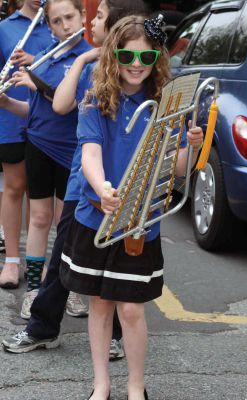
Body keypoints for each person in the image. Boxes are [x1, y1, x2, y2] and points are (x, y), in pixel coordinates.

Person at [59, 14, 204, 400]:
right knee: (101, 305)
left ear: (157, 56)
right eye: (126, 55)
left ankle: (136, 387)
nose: (136, 64)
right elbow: (89, 152)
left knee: (132, 310)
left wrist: (189, 144)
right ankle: (101, 384)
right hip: (96, 214)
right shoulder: (95, 96)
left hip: (141, 221)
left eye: (145, 56)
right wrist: (101, 186)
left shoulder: (165, 100)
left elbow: (177, 169)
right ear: (113, 55)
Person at [1, 0, 148, 359]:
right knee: (70, 257)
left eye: (97, 15)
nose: (88, 21)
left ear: (115, 26)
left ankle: (108, 334)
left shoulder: (128, 73)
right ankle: (44, 326)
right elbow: (59, 105)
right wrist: (81, 60)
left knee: (109, 264)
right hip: (85, 186)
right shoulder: (86, 63)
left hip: (114, 189)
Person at [0, 0, 92, 319]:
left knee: (69, 224)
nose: (65, 25)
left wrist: (37, 84)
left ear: (83, 17)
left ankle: (72, 289)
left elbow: (70, 104)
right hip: (38, 145)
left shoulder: (91, 59)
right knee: (39, 219)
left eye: (70, 17)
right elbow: (34, 111)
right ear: (49, 26)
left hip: (75, 151)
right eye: (57, 20)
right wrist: (8, 102)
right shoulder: (43, 58)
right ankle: (35, 289)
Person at [0, 0, 53, 289]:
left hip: (45, 121)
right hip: (10, 118)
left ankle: (37, 259)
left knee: (39, 193)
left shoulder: (56, 27)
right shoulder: (4, 29)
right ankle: (10, 260)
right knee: (14, 187)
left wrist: (35, 60)